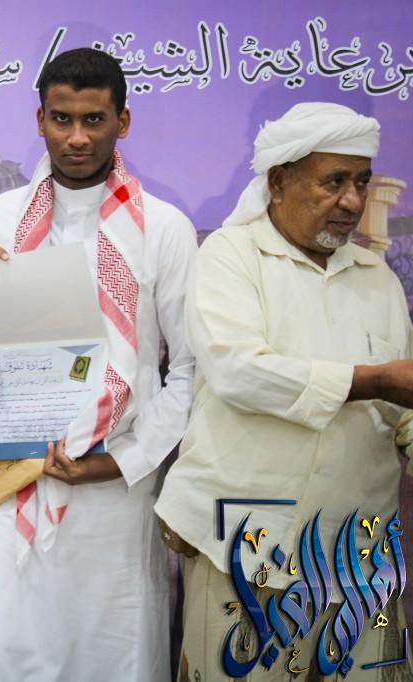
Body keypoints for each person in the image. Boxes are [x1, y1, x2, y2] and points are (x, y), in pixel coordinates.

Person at [0, 48, 197, 681]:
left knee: (108, 654)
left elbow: (190, 371)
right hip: (8, 480)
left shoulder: (164, 229)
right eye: (61, 119)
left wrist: (122, 462)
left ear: (122, 122)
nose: (77, 138)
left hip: (113, 489)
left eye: (94, 120)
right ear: (40, 120)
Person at [156, 102, 413, 680]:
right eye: (334, 182)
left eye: (362, 182)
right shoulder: (230, 256)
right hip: (247, 548)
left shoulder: (379, 279)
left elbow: (403, 409)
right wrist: (375, 380)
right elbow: (240, 372)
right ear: (278, 182)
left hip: (358, 555)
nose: (352, 201)